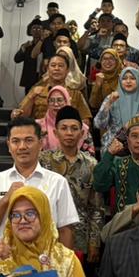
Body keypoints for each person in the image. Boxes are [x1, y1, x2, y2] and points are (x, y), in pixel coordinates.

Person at [0, 117, 80, 246]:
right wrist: (6, 199)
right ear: (9, 146)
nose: (22, 147)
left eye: (29, 140)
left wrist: (62, 259)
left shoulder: (58, 182)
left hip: (45, 258)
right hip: (4, 257)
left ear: (40, 144)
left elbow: (65, 230)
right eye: (16, 141)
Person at [38, 105, 103, 261]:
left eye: (74, 128)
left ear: (82, 133)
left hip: (80, 238)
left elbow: (96, 207)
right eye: (64, 128)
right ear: (55, 132)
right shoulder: (43, 161)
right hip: (47, 235)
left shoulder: (91, 164)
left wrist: (94, 241)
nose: (69, 133)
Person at [94, 65, 139, 154]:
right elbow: (98, 124)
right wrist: (108, 104)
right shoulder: (112, 98)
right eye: (124, 78)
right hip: (113, 147)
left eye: (132, 78)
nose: (128, 81)